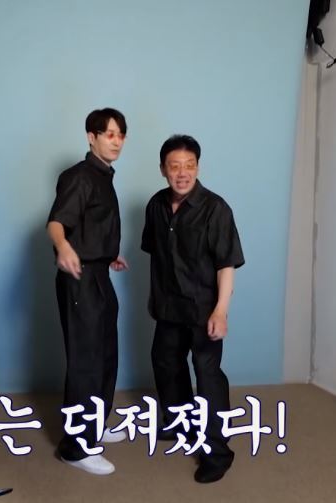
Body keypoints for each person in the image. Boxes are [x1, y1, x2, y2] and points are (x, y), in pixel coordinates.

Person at [141, 134, 245, 483]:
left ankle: (217, 452)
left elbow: (226, 265)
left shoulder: (216, 209)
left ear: (198, 167)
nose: (182, 173)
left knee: (207, 376)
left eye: (189, 166)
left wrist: (221, 311)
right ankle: (182, 425)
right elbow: (157, 255)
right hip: (168, 307)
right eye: (175, 166)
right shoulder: (156, 205)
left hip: (204, 309)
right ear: (163, 170)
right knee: (166, 364)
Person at [47, 108, 129, 476]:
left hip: (98, 273)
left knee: (106, 354)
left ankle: (95, 425)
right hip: (78, 277)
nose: (116, 141)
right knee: (86, 361)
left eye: (120, 135)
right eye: (109, 134)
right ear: (91, 137)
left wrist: (107, 253)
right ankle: (76, 447)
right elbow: (56, 223)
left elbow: (90, 226)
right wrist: (65, 248)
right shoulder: (79, 176)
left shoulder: (103, 177)